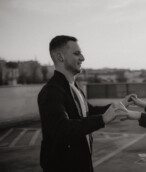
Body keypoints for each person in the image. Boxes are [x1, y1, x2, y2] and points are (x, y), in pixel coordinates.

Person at [38, 35, 132, 172]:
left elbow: (88, 111)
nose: (83, 58)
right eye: (77, 53)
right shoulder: (51, 92)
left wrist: (117, 106)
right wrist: (103, 119)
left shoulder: (74, 87)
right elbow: (62, 130)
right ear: (60, 57)